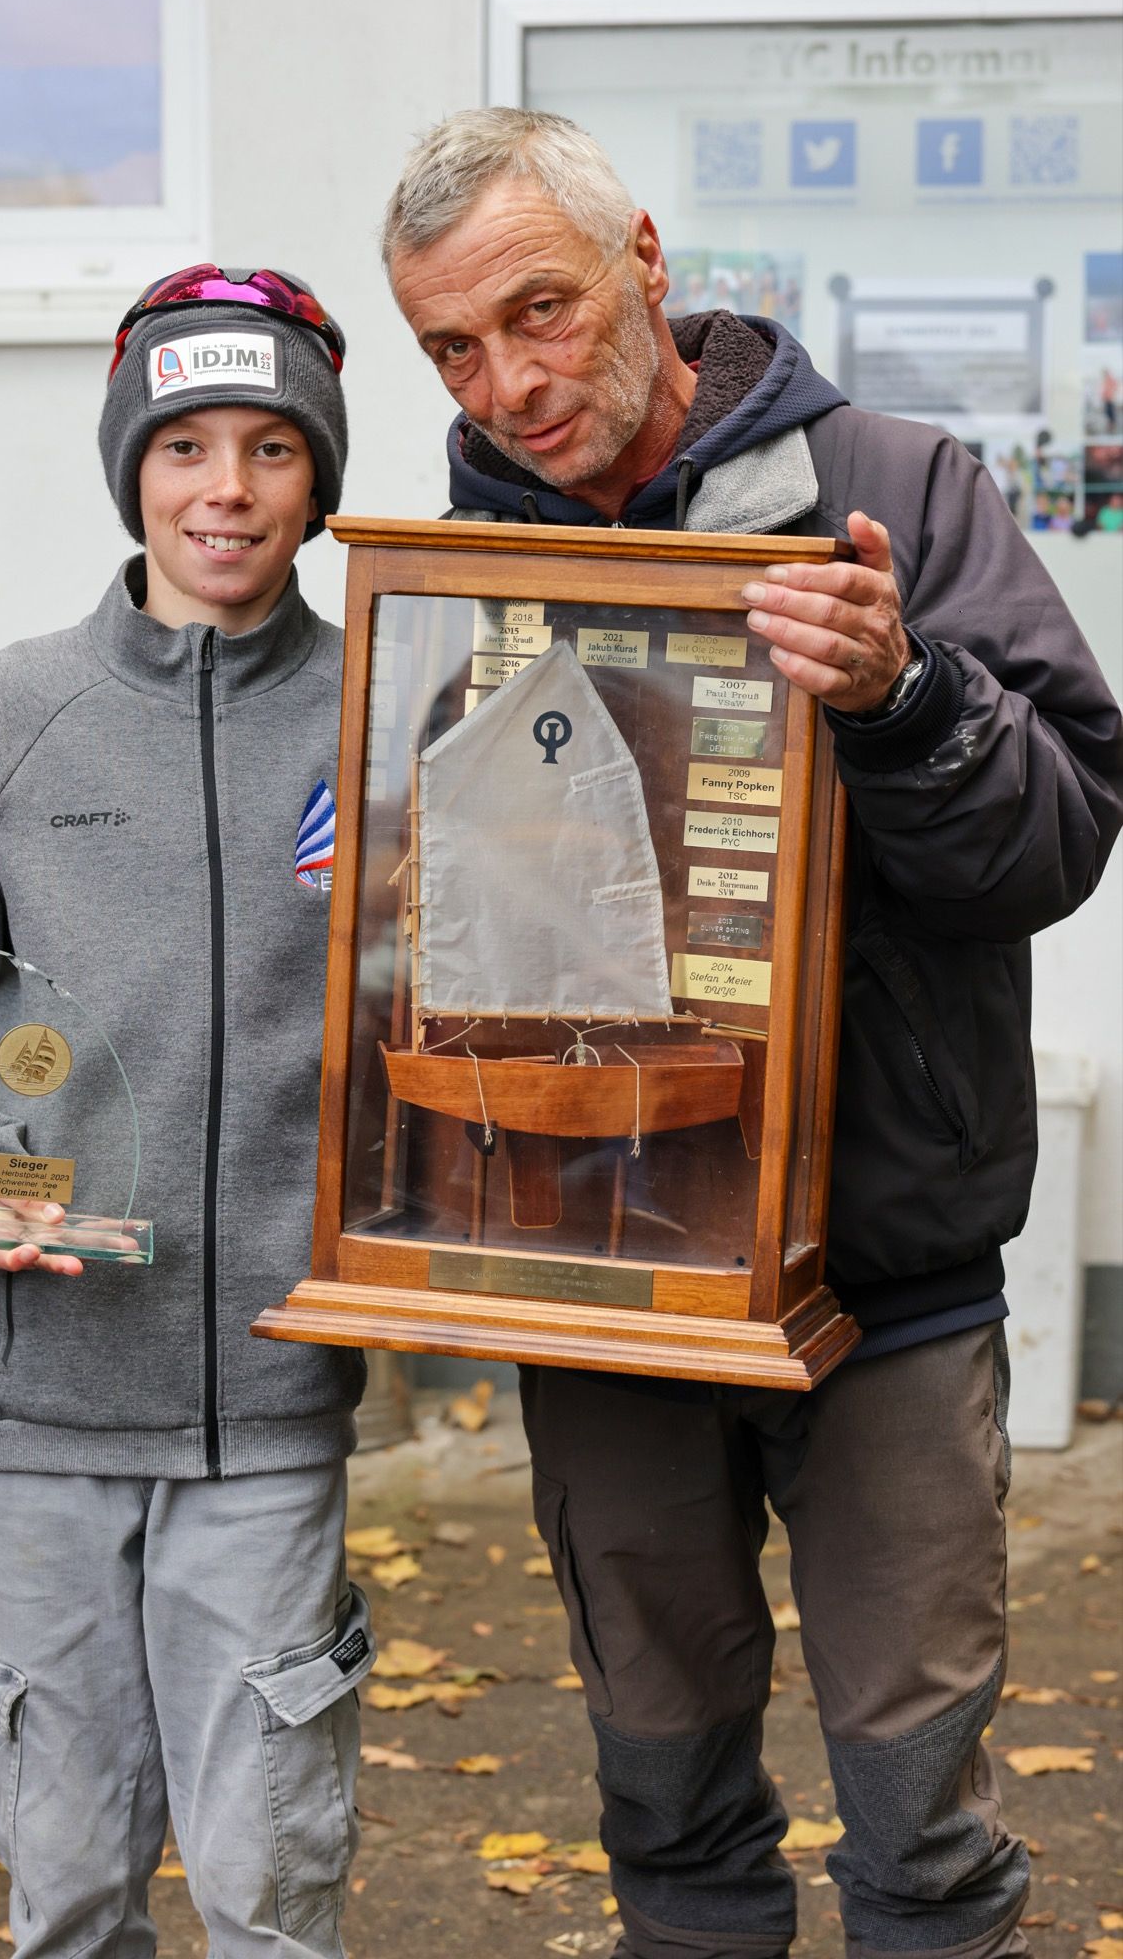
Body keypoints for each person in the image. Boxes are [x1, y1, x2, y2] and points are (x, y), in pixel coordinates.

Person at [382, 110, 1123, 1959]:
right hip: (598, 1260)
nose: (510, 379)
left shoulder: (900, 483)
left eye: (538, 310)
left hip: (881, 1269)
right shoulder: (444, 552)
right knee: (667, 1807)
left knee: (920, 1826)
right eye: (454, 349)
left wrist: (907, 693)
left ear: (645, 263)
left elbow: (1054, 840)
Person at [0, 268, 372, 1957]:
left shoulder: (381, 716)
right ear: (130, 467)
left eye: (272, 447)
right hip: (39, 1398)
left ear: (318, 476)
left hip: (269, 1400)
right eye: (186, 445)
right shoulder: (13, 711)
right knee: (62, 1881)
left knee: (271, 1881)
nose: (226, 488)